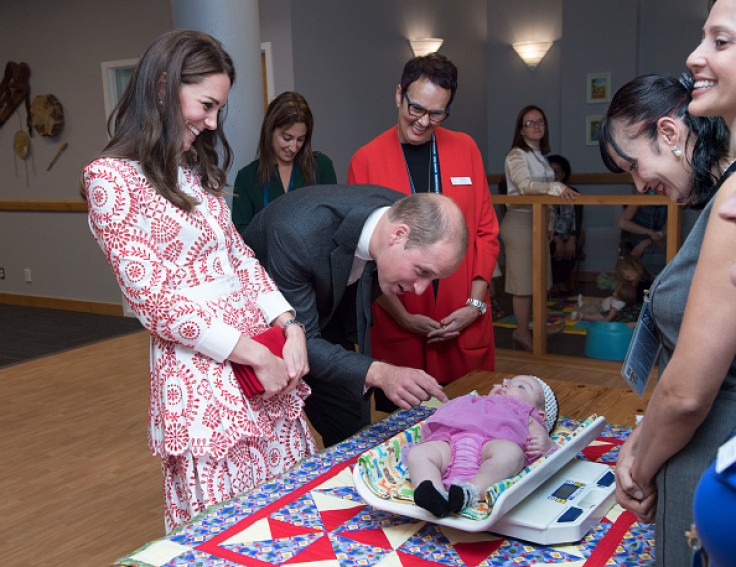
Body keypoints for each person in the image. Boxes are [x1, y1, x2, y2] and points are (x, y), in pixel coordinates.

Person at [82, 30, 317, 533]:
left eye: (218, 110)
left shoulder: (193, 170)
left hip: (263, 352)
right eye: (206, 105)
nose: (212, 123)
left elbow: (240, 258)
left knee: (289, 501)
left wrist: (289, 325)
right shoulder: (110, 178)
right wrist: (255, 353)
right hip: (203, 366)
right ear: (165, 87)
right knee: (230, 522)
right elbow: (155, 302)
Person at [598, 66, 734, 565]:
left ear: (671, 134)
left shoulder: (729, 210)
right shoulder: (716, 204)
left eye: (634, 165)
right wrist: (641, 435)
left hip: (714, 460)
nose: (638, 183)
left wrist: (639, 464)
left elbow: (687, 394)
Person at [243, 185, 468, 447]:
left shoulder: (401, 214)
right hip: (267, 335)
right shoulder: (297, 233)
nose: (420, 289)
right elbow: (300, 337)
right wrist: (382, 374)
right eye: (422, 271)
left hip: (330, 316)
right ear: (398, 235)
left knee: (356, 436)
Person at [347, 53, 499, 401]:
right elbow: (364, 254)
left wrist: (474, 307)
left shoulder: (466, 149)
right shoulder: (365, 160)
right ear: (399, 94)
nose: (423, 121)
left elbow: (486, 232)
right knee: (404, 437)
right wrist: (402, 317)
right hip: (400, 330)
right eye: (415, 108)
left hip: (462, 324)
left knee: (472, 428)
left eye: (436, 113)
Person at [406, 375, 558, 518]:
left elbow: (547, 442)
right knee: (418, 453)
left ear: (540, 414)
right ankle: (432, 491)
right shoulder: (476, 401)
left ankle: (471, 491)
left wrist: (545, 442)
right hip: (452, 443)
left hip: (491, 447)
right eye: (508, 382)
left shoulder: (526, 414)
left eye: (521, 387)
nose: (506, 385)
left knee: (511, 453)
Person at [500, 106, 578, 351]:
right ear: (521, 130)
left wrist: (551, 224)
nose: (536, 126)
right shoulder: (516, 154)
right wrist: (555, 186)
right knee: (523, 284)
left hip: (540, 222)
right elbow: (524, 185)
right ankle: (522, 333)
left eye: (540, 122)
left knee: (541, 280)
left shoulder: (541, 156)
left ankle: (540, 327)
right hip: (520, 222)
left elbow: (549, 199)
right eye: (530, 123)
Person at [231, 91, 337, 237]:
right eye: (287, 138)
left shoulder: (321, 166)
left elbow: (334, 223)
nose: (293, 148)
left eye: (300, 139)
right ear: (270, 131)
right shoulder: (247, 177)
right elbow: (240, 238)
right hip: (266, 259)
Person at [570, 255, 649, 323]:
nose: (626, 274)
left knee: (608, 314)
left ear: (635, 266)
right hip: (631, 308)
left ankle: (582, 315)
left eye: (628, 269)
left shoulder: (643, 282)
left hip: (638, 311)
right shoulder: (632, 282)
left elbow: (637, 302)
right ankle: (582, 312)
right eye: (623, 273)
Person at [547, 155, 585, 296]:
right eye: (550, 171)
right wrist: (556, 238)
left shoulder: (573, 192)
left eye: (556, 171)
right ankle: (553, 284)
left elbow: (578, 218)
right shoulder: (543, 192)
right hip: (550, 235)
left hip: (568, 234)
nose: (553, 174)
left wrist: (572, 238)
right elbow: (543, 219)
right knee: (551, 248)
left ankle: (563, 282)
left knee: (572, 248)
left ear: (563, 174)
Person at [618, 203, 667, 275]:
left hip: (659, 239)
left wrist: (659, 235)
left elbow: (673, 223)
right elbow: (622, 223)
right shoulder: (642, 196)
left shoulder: (671, 197)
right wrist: (649, 233)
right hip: (639, 238)